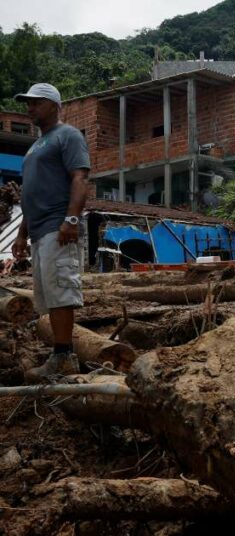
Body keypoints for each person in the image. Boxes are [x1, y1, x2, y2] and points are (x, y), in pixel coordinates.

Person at [11, 83, 90, 383]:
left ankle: (63, 358)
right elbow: (29, 195)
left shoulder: (67, 135)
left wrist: (71, 220)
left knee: (61, 291)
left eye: (36, 103)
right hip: (39, 230)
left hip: (59, 226)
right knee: (48, 296)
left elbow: (80, 177)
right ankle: (59, 355)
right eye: (27, 103)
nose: (29, 108)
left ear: (54, 105)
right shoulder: (34, 146)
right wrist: (21, 233)